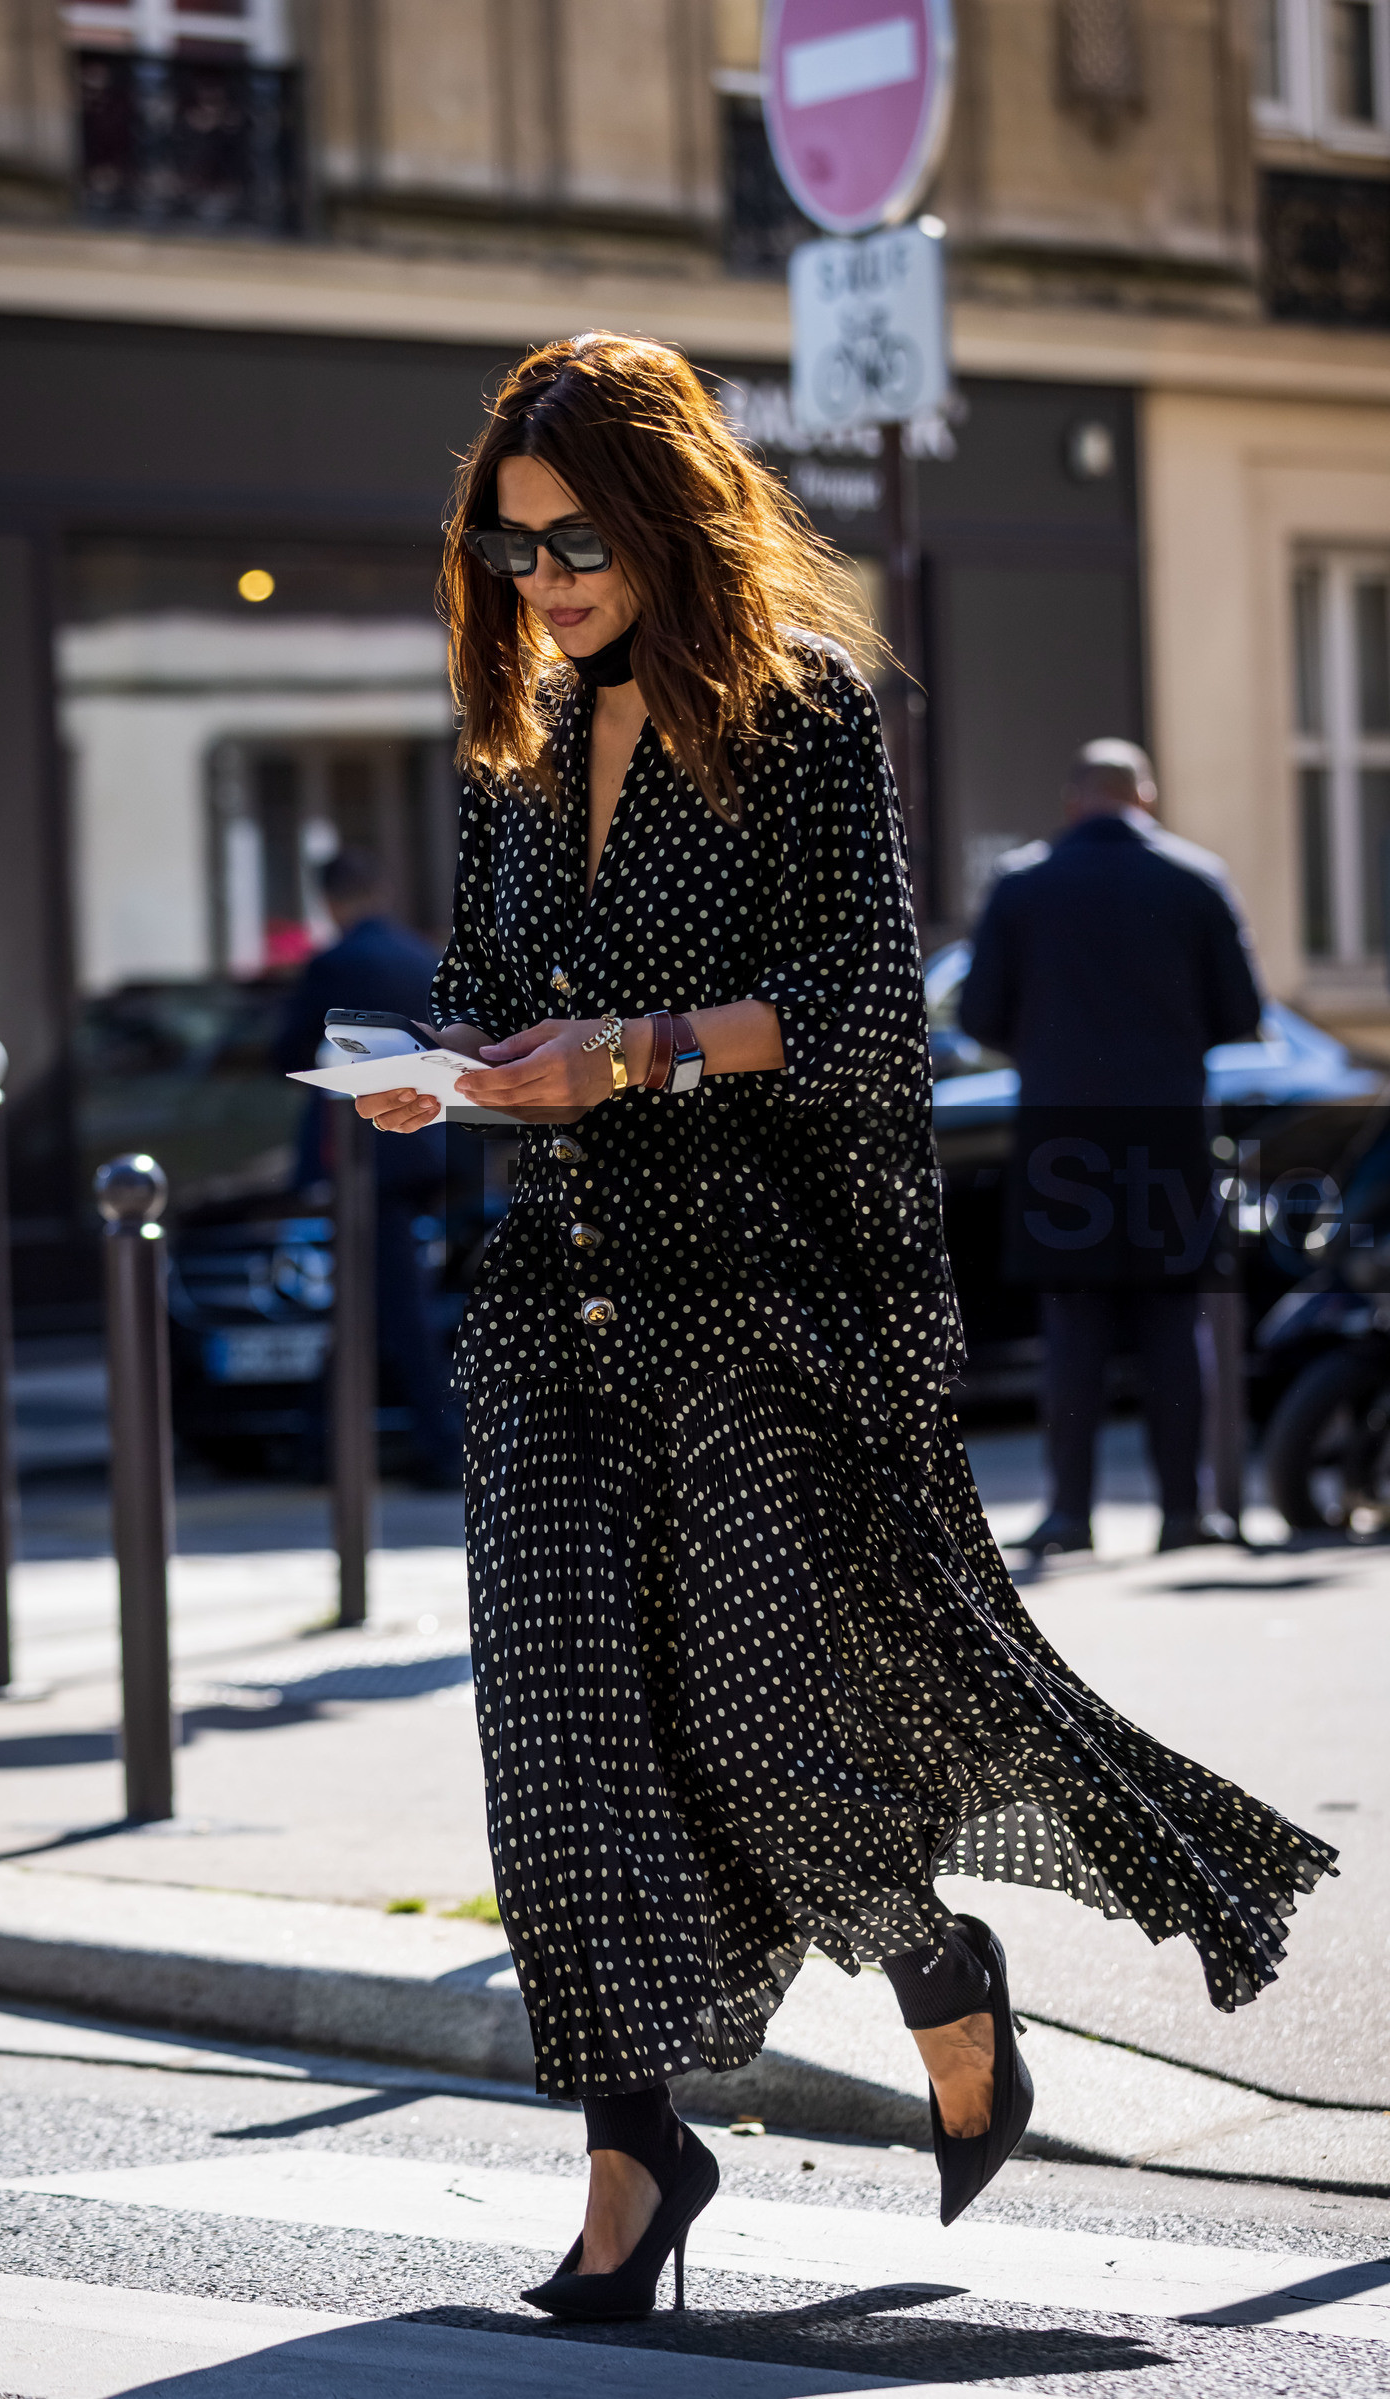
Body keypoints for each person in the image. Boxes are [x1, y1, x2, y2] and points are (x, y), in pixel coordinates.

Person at [354, 336, 1334, 2322]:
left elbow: (874, 1006)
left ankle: (938, 1970)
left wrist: (624, 1052)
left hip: (746, 1299)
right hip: (546, 1297)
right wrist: (432, 1067)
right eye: (506, 544)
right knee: (555, 1750)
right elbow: (476, 989)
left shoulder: (790, 721)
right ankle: (632, 2153)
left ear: (655, 515)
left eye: (570, 539)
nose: (537, 579)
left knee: (769, 1733)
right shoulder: (520, 744)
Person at [958, 740, 1263, 1555]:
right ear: (1147, 796)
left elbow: (980, 1015)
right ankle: (1184, 1511)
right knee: (1173, 1321)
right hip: (1168, 1128)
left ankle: (1070, 1512)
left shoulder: (1024, 886)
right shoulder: (1195, 878)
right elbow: (1241, 1012)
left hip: (1062, 1131)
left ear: (1071, 802)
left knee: (1073, 1328)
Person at [274, 850, 460, 1488]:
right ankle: (316, 1446)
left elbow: (292, 1052)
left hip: (356, 1152)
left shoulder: (334, 964)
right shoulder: (418, 955)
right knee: (364, 1298)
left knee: (390, 1304)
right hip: (421, 1143)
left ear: (328, 902)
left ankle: (442, 1447)